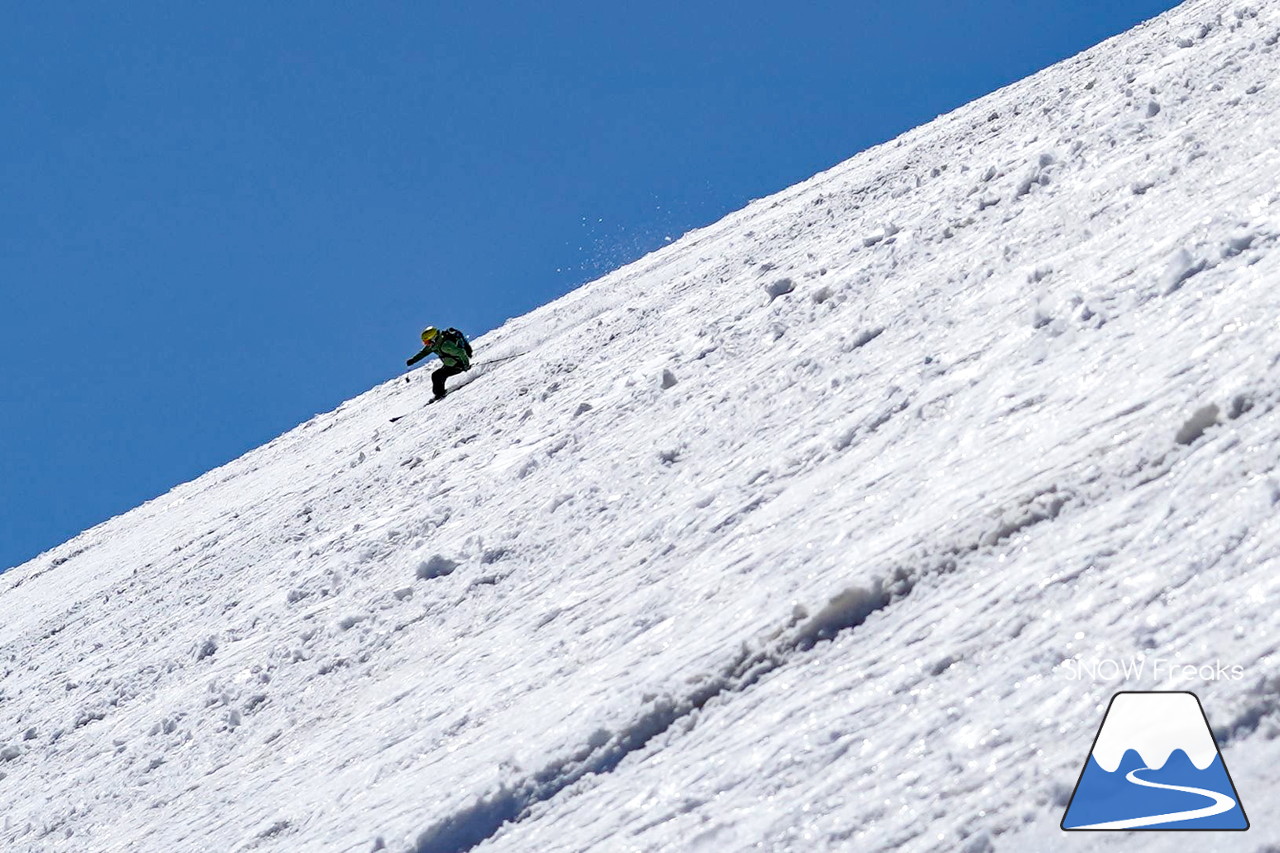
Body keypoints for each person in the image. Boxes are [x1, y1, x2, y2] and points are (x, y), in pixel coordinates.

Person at [406, 326, 472, 400]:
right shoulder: (434, 345)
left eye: (427, 342)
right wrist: (413, 360)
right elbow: (424, 352)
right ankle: (440, 393)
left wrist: (466, 365)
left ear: (433, 338)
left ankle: (440, 394)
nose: (426, 344)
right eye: (425, 343)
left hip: (458, 365)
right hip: (449, 365)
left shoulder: (445, 345)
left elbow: (461, 352)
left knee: (437, 375)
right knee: (437, 376)